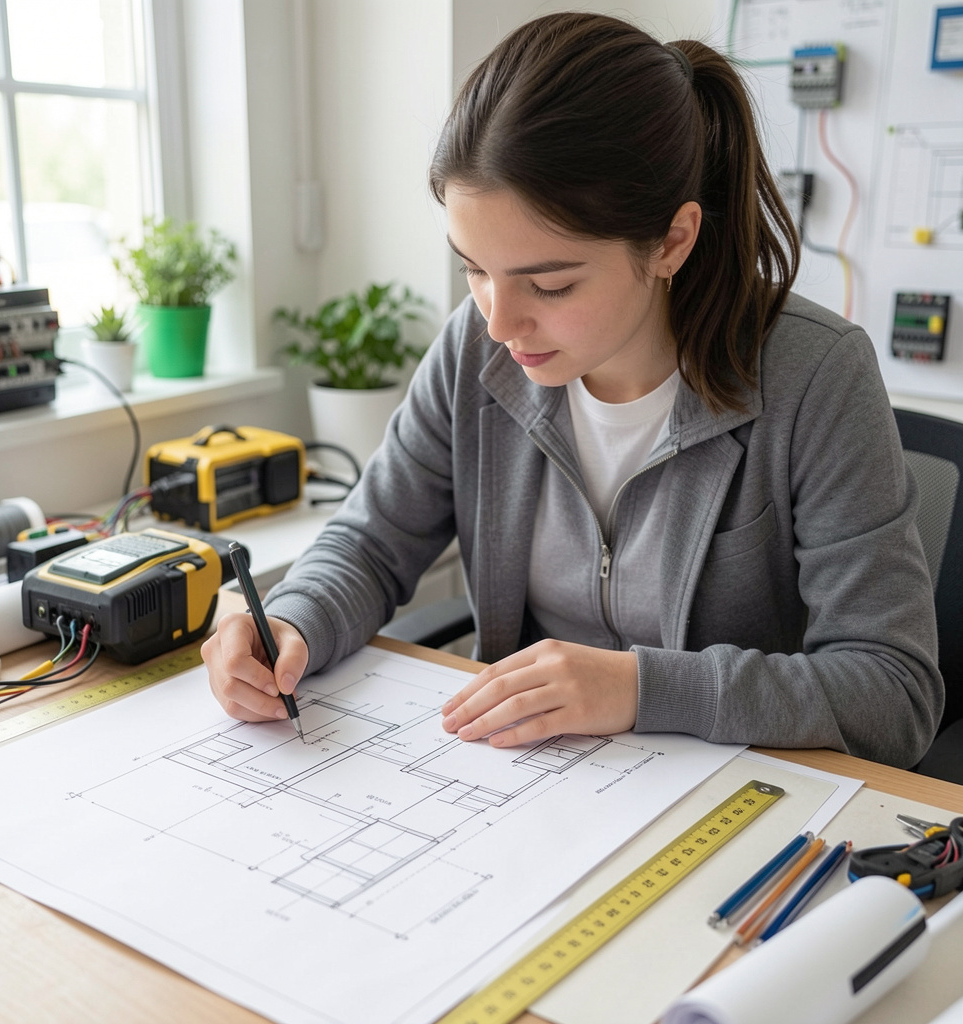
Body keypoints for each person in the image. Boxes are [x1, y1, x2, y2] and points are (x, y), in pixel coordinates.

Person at [202, 12, 943, 769]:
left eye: (549, 283)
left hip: (743, 801)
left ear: (671, 241)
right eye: (474, 267)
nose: (498, 322)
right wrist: (292, 620)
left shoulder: (815, 377)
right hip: (536, 790)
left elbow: (893, 692)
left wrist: (641, 687)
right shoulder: (474, 346)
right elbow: (369, 542)